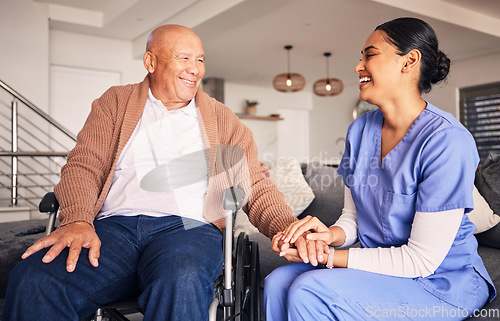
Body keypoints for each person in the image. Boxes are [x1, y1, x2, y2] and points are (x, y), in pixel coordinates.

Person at [2, 24, 298, 321]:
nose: (195, 69)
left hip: (188, 230)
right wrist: (78, 219)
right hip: (112, 230)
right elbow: (84, 164)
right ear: (150, 62)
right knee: (35, 279)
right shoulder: (116, 102)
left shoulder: (223, 119)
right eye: (184, 58)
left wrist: (289, 229)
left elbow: (255, 184)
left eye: (200, 59)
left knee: (181, 277)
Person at [265, 17, 497, 321]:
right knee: (277, 282)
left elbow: (421, 259)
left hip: (442, 281)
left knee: (310, 289)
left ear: (409, 61)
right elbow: (353, 220)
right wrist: (326, 236)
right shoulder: (359, 131)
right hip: (384, 271)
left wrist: (330, 258)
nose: (358, 66)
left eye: (370, 55)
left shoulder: (446, 141)